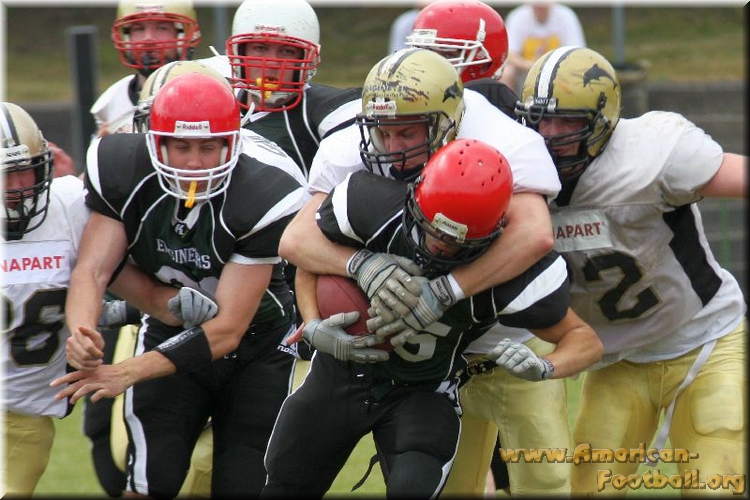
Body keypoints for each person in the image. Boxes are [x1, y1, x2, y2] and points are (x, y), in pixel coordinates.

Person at [262, 139, 603, 497]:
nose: (437, 245)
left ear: (492, 235)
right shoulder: (373, 207)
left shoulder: (503, 268)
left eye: (455, 242)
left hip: (423, 391)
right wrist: (315, 321)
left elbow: (584, 340)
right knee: (284, 484)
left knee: (413, 487)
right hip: (339, 374)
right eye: (430, 228)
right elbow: (307, 259)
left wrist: (546, 366)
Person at [51, 72, 308, 498]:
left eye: (208, 147)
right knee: (150, 481)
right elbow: (93, 270)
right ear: (156, 142)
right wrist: (82, 333)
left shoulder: (265, 189)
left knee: (243, 484)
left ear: (232, 143)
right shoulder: (120, 168)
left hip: (257, 346)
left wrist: (125, 371)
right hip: (168, 330)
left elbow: (227, 329)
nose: (193, 162)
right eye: (181, 146)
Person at [515, 46, 747, 495]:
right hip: (618, 358)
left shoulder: (654, 153)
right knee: (589, 488)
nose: (550, 135)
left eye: (567, 123)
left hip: (704, 339)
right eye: (540, 120)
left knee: (713, 486)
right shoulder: (518, 171)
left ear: (604, 121)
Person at [406, 1, 574, 495]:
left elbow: (534, 234)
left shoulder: (499, 118)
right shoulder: (404, 119)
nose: (428, 65)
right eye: (423, 51)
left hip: (509, 323)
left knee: (546, 478)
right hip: (439, 341)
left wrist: (447, 290)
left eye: (445, 53)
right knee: (448, 482)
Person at [0, 101, 210, 497]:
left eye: (23, 170)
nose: (16, 188)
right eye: (3, 175)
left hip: (23, 417)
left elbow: (135, 286)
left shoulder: (69, 207)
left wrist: (179, 303)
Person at [90, 0, 201, 138]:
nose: (148, 38)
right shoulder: (111, 101)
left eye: (162, 28)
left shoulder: (206, 93)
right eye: (138, 29)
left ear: (183, 34)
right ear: (126, 36)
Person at [499, 1, 585, 94]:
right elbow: (510, 55)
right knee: (507, 73)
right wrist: (531, 65)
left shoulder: (566, 16)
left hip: (560, 71)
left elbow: (576, 53)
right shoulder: (517, 16)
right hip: (525, 72)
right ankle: (508, 102)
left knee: (578, 71)